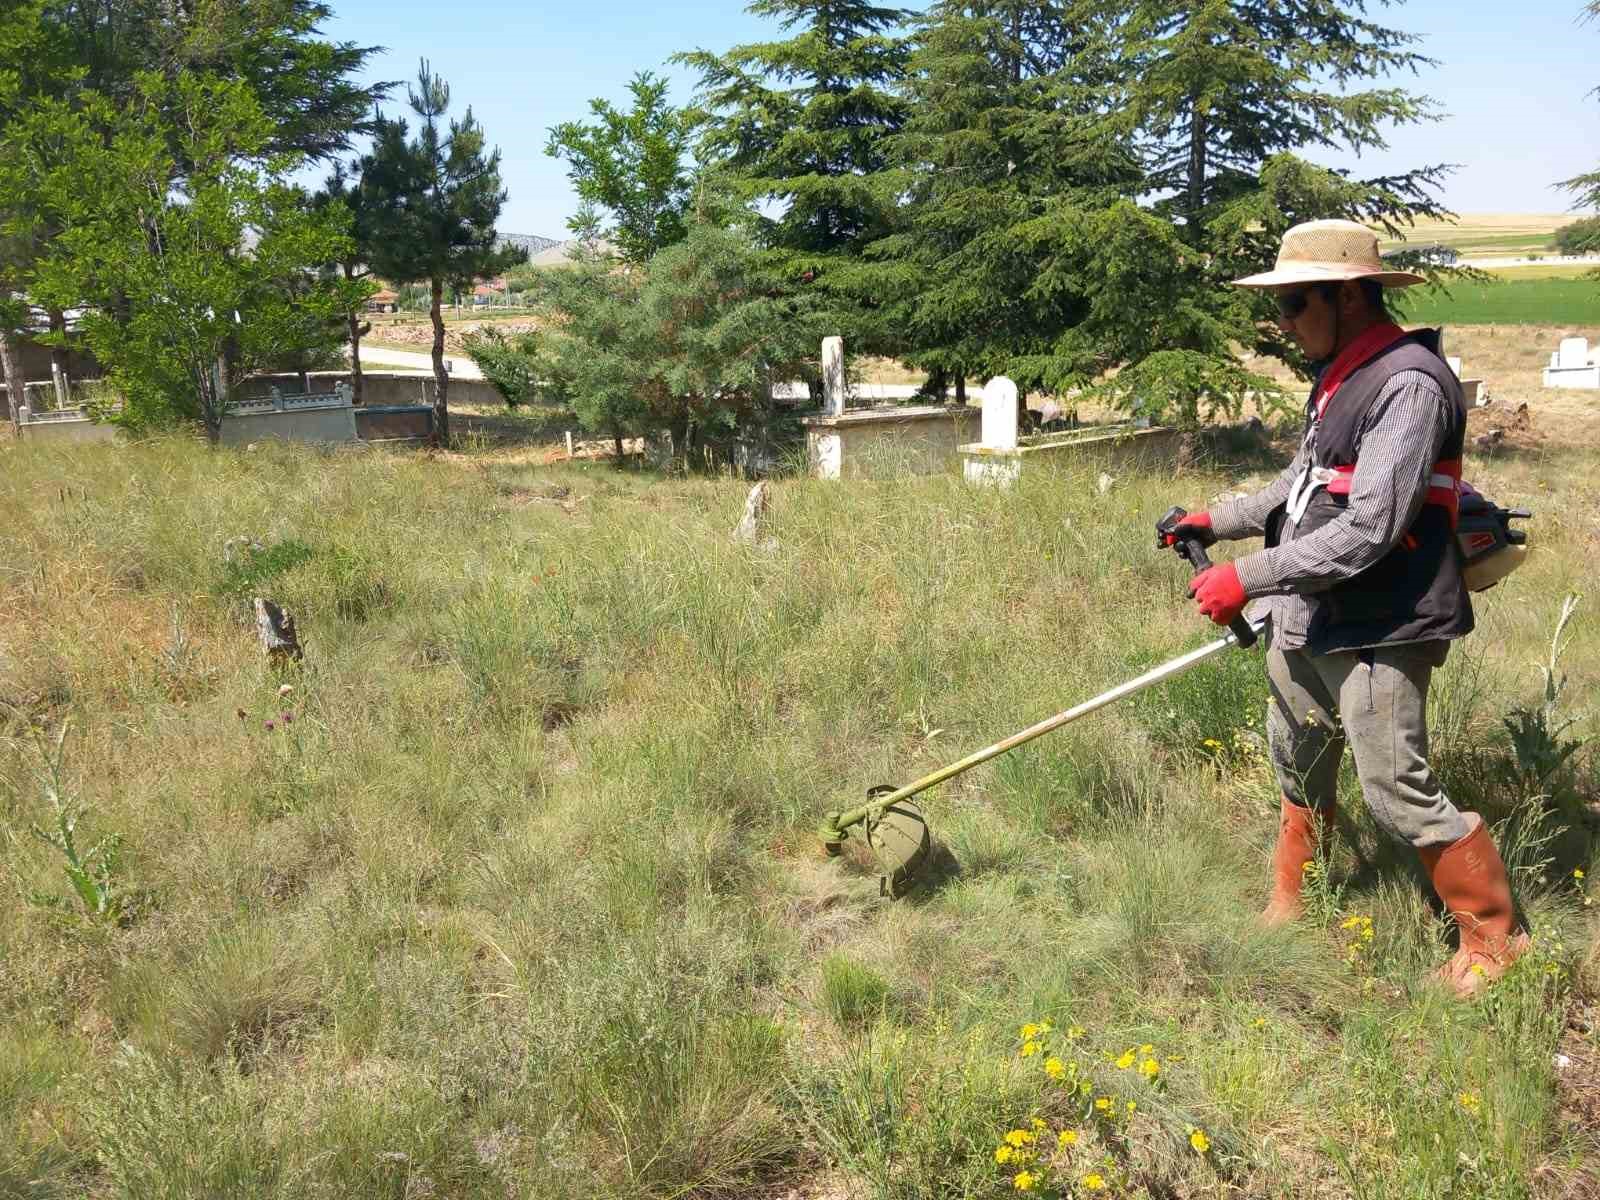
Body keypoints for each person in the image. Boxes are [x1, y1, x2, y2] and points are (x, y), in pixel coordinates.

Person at [1174, 218, 1527, 999]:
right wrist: (1214, 520)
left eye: (1294, 302)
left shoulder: (1408, 383)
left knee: (1395, 788)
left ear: (1350, 297)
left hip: (1383, 620)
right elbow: (1296, 488)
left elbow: (1372, 527)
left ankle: (1496, 942)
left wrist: (1247, 576)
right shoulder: (1340, 376)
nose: (1283, 321)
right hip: (1309, 613)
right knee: (1298, 756)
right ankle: (1297, 901)